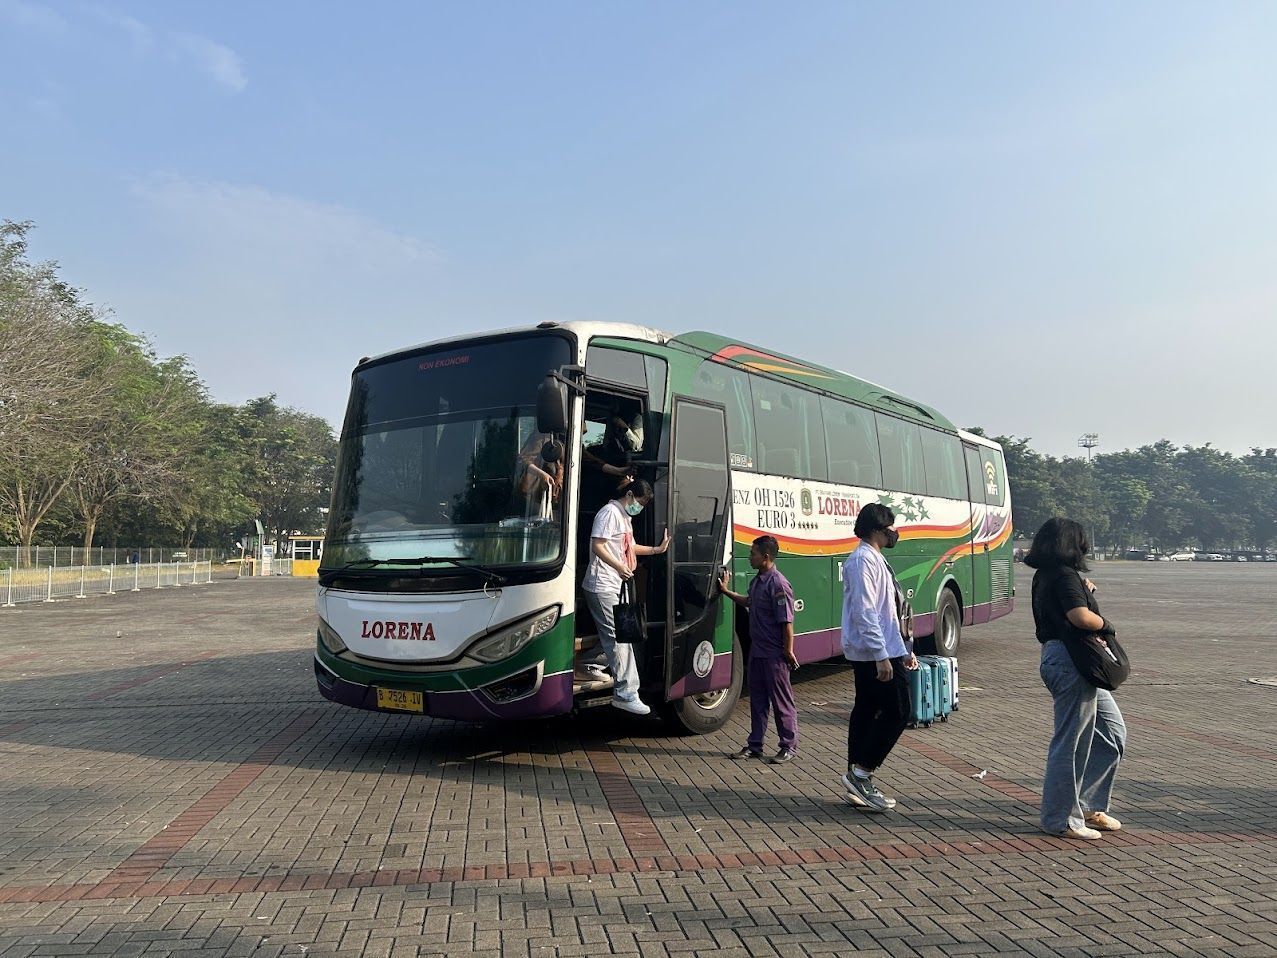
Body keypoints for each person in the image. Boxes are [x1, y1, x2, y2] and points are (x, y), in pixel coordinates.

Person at [1024, 517, 1127, 840]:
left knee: (1111, 732)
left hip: (1069, 661)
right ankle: (1061, 819)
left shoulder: (1050, 576)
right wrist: (1105, 623)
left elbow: (1070, 602)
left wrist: (1083, 591)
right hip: (1070, 662)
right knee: (1071, 743)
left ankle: (1088, 805)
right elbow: (1079, 617)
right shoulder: (1064, 576)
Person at [840, 503, 917, 812]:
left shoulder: (874, 559)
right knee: (899, 710)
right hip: (877, 651)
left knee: (867, 710)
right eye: (889, 528)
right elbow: (865, 612)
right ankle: (862, 773)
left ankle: (855, 777)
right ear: (876, 529)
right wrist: (881, 656)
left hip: (882, 647)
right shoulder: (862, 561)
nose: (893, 533)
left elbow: (886, 610)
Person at [581, 478, 669, 716]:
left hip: (614, 584)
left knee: (618, 633)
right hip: (602, 584)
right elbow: (597, 545)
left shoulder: (624, 516)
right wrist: (619, 566)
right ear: (629, 495)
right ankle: (626, 693)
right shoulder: (609, 513)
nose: (638, 508)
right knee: (620, 637)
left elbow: (627, 547)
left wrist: (656, 550)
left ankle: (590, 663)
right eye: (638, 503)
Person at [718, 536, 800, 764]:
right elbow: (748, 602)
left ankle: (788, 746)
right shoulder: (758, 581)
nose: (750, 557)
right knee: (758, 702)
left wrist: (788, 651)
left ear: (765, 557)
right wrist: (726, 592)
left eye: (753, 553)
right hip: (757, 652)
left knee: (782, 702)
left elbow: (787, 624)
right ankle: (755, 746)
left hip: (774, 654)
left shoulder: (778, 584)